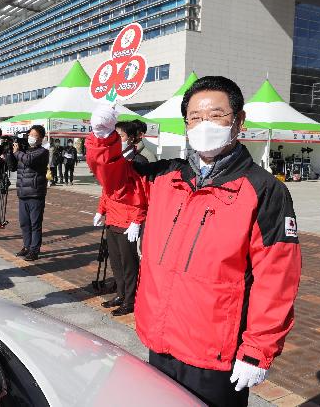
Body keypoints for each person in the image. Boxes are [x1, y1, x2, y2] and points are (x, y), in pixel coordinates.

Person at [86, 76, 301, 406]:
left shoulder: (263, 190)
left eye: (216, 115)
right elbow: (117, 185)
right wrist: (103, 138)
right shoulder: (166, 176)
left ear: (239, 121)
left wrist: (257, 350)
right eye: (195, 117)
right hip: (160, 335)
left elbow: (277, 279)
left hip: (214, 350)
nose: (205, 125)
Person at [94, 120, 150, 317]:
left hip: (128, 222)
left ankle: (130, 299)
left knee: (129, 264)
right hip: (112, 219)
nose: (117, 140)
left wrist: (137, 220)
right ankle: (120, 293)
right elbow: (106, 190)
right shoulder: (113, 160)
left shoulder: (139, 162)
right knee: (116, 262)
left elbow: (143, 194)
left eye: (121, 137)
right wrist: (101, 210)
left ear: (132, 138)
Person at [9, 125, 49, 261]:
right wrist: (10, 152)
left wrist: (17, 152)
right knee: (24, 223)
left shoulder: (43, 152)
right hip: (22, 192)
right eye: (30, 134)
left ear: (41, 138)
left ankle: (34, 250)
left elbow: (28, 160)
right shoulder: (24, 151)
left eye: (34, 135)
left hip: (35, 193)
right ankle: (26, 246)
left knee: (35, 224)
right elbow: (13, 166)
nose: (31, 137)